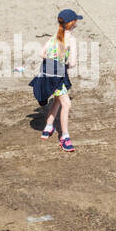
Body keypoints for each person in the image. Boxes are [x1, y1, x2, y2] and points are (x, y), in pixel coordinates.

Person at [38, 9, 82, 151]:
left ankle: (49, 126)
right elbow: (73, 63)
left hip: (48, 74)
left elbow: (41, 53)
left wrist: (53, 61)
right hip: (58, 76)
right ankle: (65, 137)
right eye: (76, 20)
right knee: (66, 104)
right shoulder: (72, 40)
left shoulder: (54, 36)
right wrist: (63, 64)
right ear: (72, 23)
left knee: (57, 99)